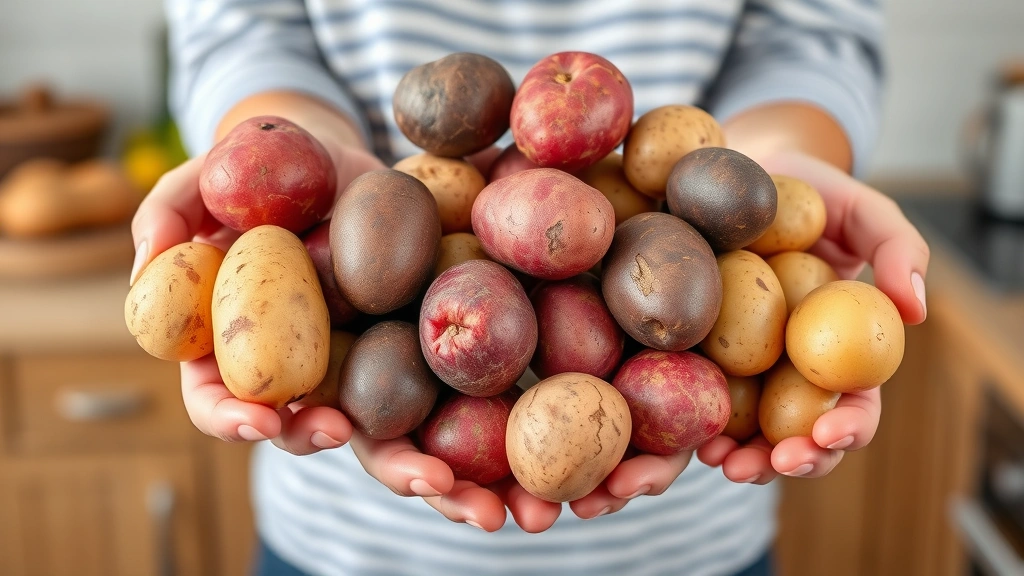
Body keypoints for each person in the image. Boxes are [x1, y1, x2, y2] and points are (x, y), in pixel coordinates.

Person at [134, 1, 930, 574]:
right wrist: (288, 160)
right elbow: (241, 27)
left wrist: (778, 159)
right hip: (348, 541)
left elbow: (813, 34)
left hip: (687, 540)